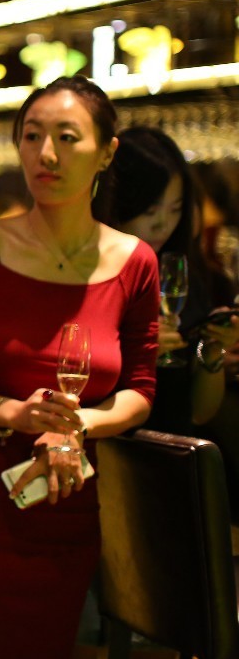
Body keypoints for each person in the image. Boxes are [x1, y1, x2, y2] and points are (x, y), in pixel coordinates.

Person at [0, 76, 158, 659]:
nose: (46, 154)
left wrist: (76, 425)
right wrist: (11, 412)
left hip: (69, 495)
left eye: (67, 137)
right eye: (32, 136)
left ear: (106, 153)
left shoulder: (135, 262)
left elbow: (140, 390)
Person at [101, 127, 237, 432]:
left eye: (175, 209)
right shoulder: (92, 280)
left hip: (175, 448)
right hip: (108, 446)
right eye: (151, 211)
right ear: (118, 203)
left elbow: (199, 413)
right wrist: (136, 353)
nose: (164, 224)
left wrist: (212, 351)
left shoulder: (180, 275)